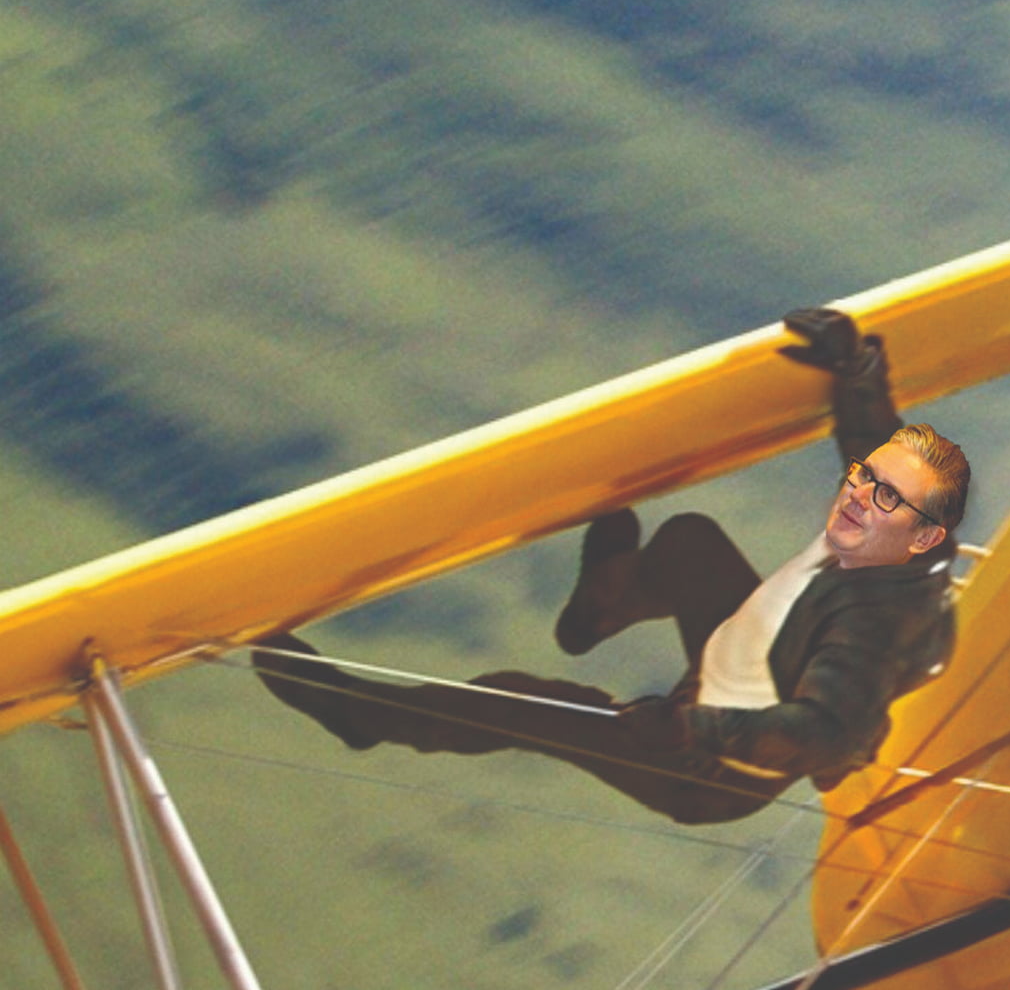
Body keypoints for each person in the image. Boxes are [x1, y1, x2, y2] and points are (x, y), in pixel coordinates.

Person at [253, 310, 969, 826]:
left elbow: (822, 739)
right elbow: (877, 453)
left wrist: (691, 731)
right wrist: (856, 369)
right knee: (690, 543)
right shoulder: (910, 545)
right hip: (757, 659)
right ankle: (604, 601)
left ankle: (359, 716)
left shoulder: (869, 639)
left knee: (523, 702)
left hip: (710, 771)